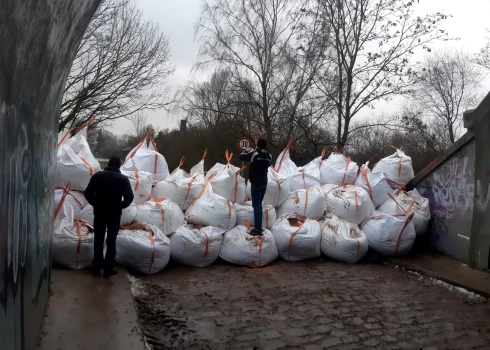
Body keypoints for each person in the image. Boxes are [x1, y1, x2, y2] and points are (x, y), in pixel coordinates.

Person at [84, 155, 134, 277]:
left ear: (108, 164)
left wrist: (95, 203)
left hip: (100, 213)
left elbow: (87, 193)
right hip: (114, 214)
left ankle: (96, 266)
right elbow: (129, 197)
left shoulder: (97, 176)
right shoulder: (123, 179)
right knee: (111, 241)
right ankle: (108, 269)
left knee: (99, 240)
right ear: (119, 166)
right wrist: (120, 206)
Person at [239, 138, 272, 236]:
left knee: (256, 206)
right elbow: (268, 164)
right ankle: (259, 226)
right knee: (259, 205)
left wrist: (247, 150)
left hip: (256, 182)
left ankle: (258, 229)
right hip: (264, 182)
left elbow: (241, 157)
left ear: (257, 145)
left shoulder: (255, 153)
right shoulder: (269, 155)